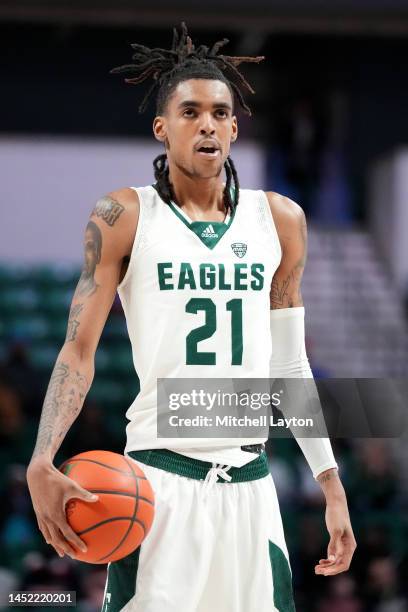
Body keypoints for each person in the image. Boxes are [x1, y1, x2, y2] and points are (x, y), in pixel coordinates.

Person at [27, 23, 356, 612]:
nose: (206, 123)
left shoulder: (279, 220)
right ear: (163, 128)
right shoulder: (123, 213)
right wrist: (41, 458)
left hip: (253, 490)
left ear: (234, 128)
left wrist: (331, 485)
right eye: (190, 111)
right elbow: (78, 350)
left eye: (220, 113)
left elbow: (290, 362)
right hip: (159, 483)